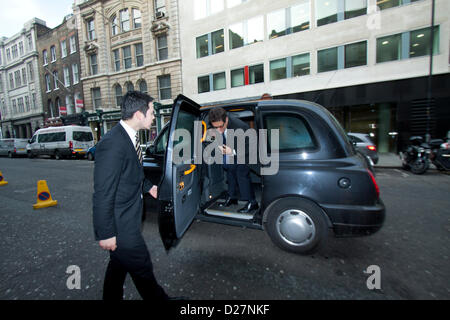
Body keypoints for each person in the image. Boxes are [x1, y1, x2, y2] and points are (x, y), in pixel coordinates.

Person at [93, 91, 169, 300]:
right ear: (138, 114)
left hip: (129, 217)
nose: (154, 116)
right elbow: (102, 192)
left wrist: (148, 187)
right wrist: (105, 232)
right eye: (152, 112)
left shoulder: (130, 137)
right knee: (142, 266)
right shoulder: (112, 143)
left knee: (118, 266)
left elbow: (131, 173)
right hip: (121, 223)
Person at [208, 107, 259, 214]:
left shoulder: (240, 127)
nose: (219, 130)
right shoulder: (215, 125)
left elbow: (251, 147)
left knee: (242, 175)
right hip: (229, 149)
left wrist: (233, 151)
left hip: (243, 153)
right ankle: (232, 197)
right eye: (215, 127)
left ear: (226, 119)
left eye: (221, 126)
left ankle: (252, 202)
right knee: (230, 172)